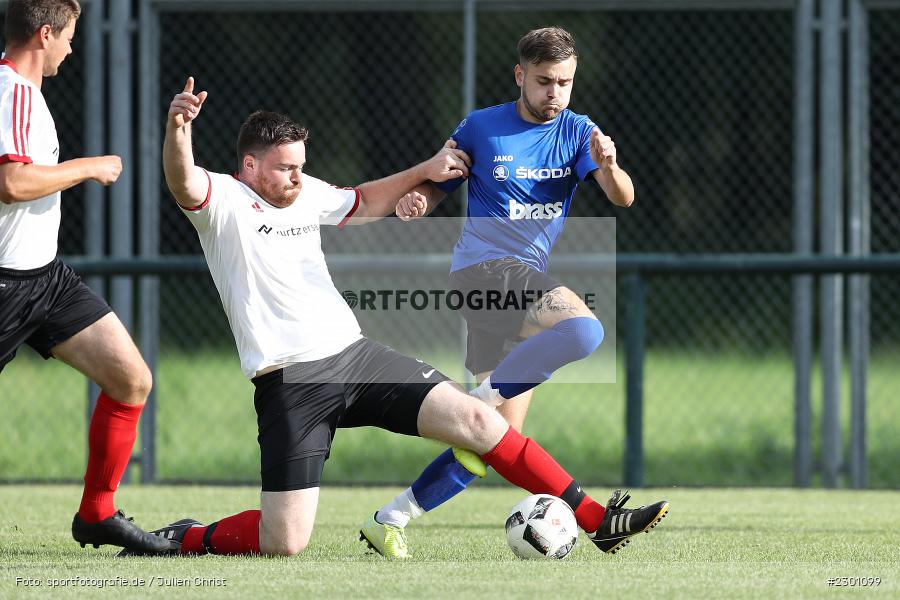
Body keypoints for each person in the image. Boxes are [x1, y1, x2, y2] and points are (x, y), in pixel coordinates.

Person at [117, 77, 666, 558]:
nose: (296, 177)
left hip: (355, 356)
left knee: (481, 422)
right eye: (285, 168)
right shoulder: (223, 202)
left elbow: (361, 201)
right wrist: (178, 129)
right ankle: (183, 538)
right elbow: (181, 181)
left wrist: (425, 172)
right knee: (284, 542)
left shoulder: (304, 193)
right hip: (291, 383)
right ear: (249, 166)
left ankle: (597, 520)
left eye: (301, 166)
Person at [366, 26, 657, 558]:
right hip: (484, 270)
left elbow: (625, 198)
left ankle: (391, 517)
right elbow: (440, 181)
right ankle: (592, 516)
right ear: (520, 76)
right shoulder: (481, 127)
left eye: (565, 83)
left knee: (492, 441)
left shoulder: (578, 131)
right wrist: (419, 203)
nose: (555, 94)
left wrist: (611, 166)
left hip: (516, 278)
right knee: (584, 328)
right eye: (545, 81)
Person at [0, 0, 169, 553]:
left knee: (131, 379)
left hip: (44, 281)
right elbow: (14, 183)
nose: (72, 49)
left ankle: (97, 515)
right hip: (4, 286)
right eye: (69, 36)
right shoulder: (13, 93)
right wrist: (89, 166)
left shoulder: (29, 95)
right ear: (45, 33)